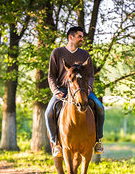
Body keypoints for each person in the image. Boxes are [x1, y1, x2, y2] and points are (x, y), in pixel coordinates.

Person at [45, 26, 105, 157]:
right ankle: (55, 143)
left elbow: (90, 75)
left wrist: (89, 87)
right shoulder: (57, 53)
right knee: (48, 113)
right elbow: (51, 76)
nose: (82, 39)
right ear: (70, 37)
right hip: (62, 89)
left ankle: (98, 141)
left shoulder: (85, 55)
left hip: (82, 90)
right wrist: (55, 91)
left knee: (100, 107)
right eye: (80, 36)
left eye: (82, 37)